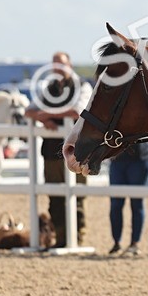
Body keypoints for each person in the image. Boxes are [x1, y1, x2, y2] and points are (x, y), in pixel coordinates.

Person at [25, 52, 92, 248]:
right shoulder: (49, 89)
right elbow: (28, 111)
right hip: (52, 150)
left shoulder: (83, 85)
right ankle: (60, 239)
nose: (58, 68)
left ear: (69, 65)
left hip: (77, 150)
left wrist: (46, 114)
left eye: (61, 64)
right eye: (55, 64)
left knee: (77, 196)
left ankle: (77, 239)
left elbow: (77, 111)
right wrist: (42, 117)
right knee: (54, 198)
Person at [107, 141, 148, 255]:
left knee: (137, 203)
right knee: (116, 204)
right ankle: (116, 243)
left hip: (139, 158)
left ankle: (135, 243)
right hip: (117, 158)